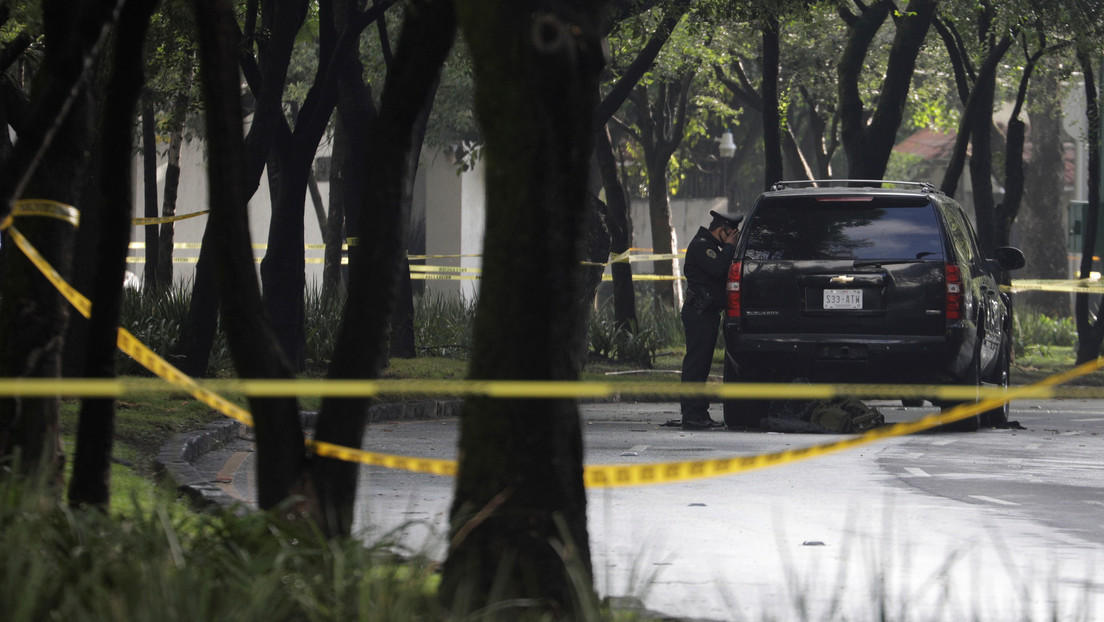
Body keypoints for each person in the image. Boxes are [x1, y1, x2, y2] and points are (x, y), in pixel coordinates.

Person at [679, 209, 742, 430]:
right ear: (721, 230)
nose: (733, 238)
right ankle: (691, 414)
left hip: (706, 313)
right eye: (731, 234)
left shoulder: (711, 246)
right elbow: (717, 269)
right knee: (696, 365)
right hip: (699, 313)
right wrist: (729, 247)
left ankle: (699, 412)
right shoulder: (702, 245)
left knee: (702, 365)